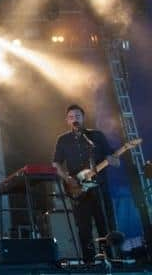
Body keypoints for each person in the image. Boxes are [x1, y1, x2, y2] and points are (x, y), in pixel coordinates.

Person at [52, 104, 119, 264]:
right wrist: (68, 178)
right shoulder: (63, 140)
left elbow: (114, 160)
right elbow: (56, 164)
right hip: (78, 189)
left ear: (83, 118)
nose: (75, 119)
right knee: (84, 227)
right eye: (71, 117)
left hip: (100, 187)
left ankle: (108, 259)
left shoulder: (96, 136)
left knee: (105, 224)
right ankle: (89, 262)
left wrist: (113, 160)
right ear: (67, 120)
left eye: (78, 116)